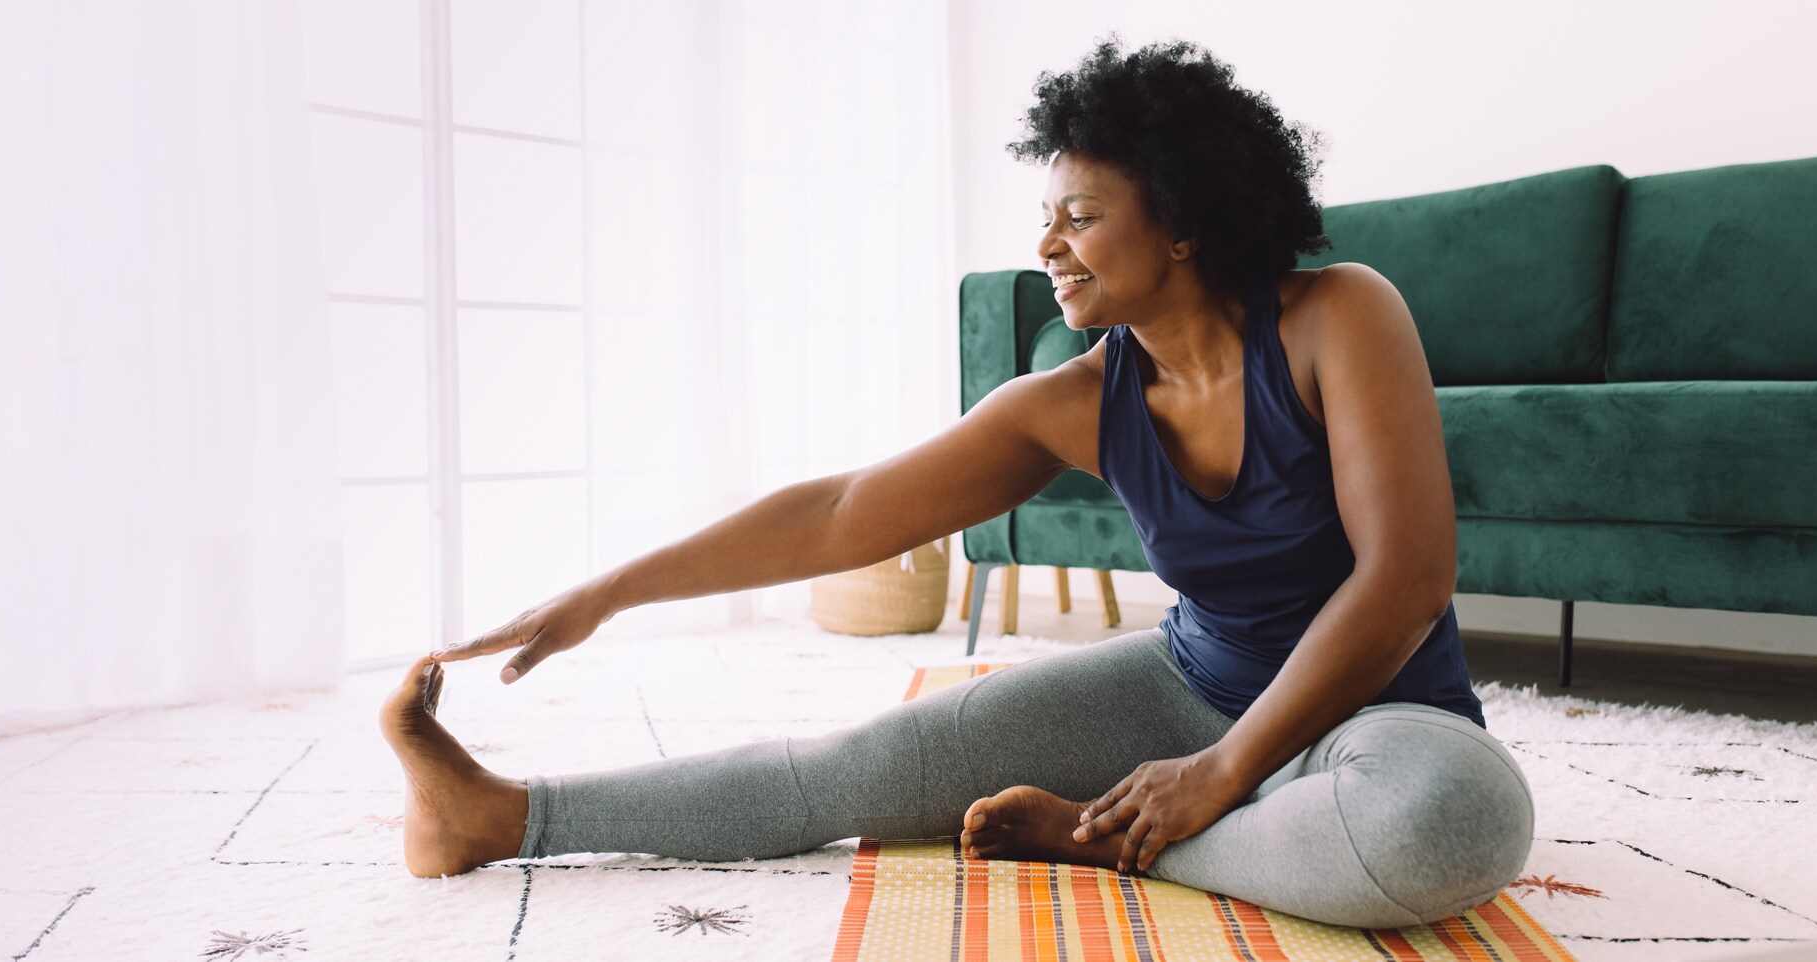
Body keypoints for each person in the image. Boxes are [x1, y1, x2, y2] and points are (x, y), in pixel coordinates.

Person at [378, 34, 1533, 929]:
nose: (1048, 244)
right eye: (1044, 217)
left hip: (1377, 721)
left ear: (1182, 222)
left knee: (1449, 824)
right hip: (1188, 686)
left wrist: (1217, 776)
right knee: (864, 767)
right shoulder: (1072, 397)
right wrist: (611, 589)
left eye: (1081, 215)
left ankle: (1110, 836)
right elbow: (839, 512)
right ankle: (501, 814)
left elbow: (1406, 579)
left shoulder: (1340, 315)